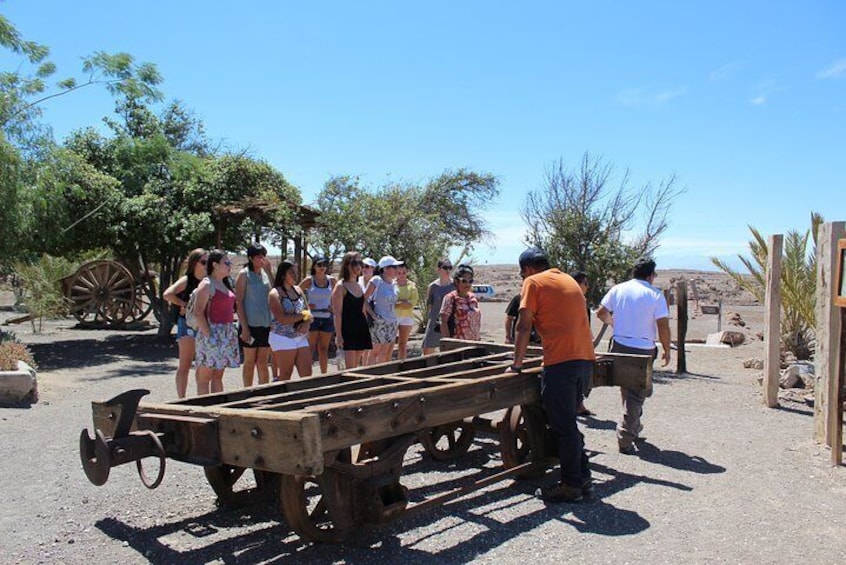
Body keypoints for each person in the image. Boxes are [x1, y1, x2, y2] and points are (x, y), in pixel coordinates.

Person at [507, 247, 595, 503]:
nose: (523, 278)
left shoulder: (533, 282)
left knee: (563, 425)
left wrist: (516, 364)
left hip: (562, 362)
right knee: (567, 422)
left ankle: (571, 485)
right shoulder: (568, 279)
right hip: (584, 361)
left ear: (528, 269)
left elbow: (523, 325)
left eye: (522, 273)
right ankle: (583, 476)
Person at [596, 257, 671, 455]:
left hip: (620, 345)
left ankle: (634, 425)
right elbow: (663, 325)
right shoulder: (654, 295)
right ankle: (625, 436)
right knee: (638, 392)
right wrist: (667, 349)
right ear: (650, 275)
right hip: (642, 348)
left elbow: (601, 312)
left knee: (626, 387)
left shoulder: (618, 289)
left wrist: (616, 324)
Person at [193, 249, 240, 396]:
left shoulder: (226, 283)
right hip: (212, 332)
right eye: (226, 262)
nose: (229, 265)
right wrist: (209, 335)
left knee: (218, 376)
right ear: (215, 265)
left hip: (226, 333)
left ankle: (217, 407)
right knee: (204, 377)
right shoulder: (206, 284)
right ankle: (203, 408)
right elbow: (198, 312)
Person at [162, 248, 207, 398]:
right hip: (187, 324)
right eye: (203, 262)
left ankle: (201, 398)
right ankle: (181, 398)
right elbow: (167, 294)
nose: (207, 265)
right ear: (195, 263)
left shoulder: (208, 281)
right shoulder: (187, 280)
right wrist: (184, 304)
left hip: (204, 325)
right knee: (185, 364)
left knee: (202, 365)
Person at [234, 243, 273, 387]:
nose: (261, 259)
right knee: (249, 362)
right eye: (258, 256)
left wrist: (269, 272)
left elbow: (275, 293)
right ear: (250, 258)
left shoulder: (265, 274)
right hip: (249, 325)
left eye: (263, 256)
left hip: (266, 324)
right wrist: (244, 328)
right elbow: (239, 302)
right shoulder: (244, 275)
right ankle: (247, 391)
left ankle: (263, 393)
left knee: (263, 363)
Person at [268, 261, 313, 381]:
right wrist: (303, 315)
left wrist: (307, 322)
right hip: (282, 337)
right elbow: (282, 319)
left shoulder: (298, 290)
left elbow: (308, 311)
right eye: (291, 272)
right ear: (283, 275)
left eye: (296, 272)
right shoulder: (275, 294)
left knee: (307, 373)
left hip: (300, 336)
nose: (295, 275)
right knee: (286, 374)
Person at [332, 251, 372, 369]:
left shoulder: (359, 285)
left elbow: (362, 309)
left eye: (361, 263)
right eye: (355, 263)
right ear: (347, 265)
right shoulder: (341, 286)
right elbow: (337, 313)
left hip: (360, 327)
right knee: (350, 368)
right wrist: (338, 335)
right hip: (348, 329)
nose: (359, 266)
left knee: (357, 364)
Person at [300, 255, 336, 374]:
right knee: (310, 349)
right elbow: (296, 293)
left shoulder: (332, 280)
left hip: (327, 318)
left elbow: (340, 296)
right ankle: (307, 377)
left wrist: (333, 306)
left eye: (324, 265)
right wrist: (306, 306)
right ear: (314, 266)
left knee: (324, 349)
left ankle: (323, 375)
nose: (322, 267)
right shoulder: (309, 280)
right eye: (319, 265)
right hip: (311, 319)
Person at [364, 255, 401, 364]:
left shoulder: (394, 284)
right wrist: (373, 315)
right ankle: (370, 374)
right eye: (393, 267)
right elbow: (363, 299)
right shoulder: (377, 280)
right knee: (375, 351)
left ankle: (381, 374)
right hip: (379, 321)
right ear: (385, 269)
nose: (396, 270)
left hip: (392, 321)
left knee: (385, 352)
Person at [570, 270, 593, 417]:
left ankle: (578, 403)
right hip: (575, 348)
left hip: (579, 346)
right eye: (585, 283)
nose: (587, 287)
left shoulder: (582, 303)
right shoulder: (576, 302)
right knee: (582, 375)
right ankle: (576, 404)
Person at [421, 258, 456, 355]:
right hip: (434, 321)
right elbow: (429, 306)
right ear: (439, 269)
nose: (448, 270)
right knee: (427, 348)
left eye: (450, 268)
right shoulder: (432, 287)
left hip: (450, 322)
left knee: (448, 350)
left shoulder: (455, 285)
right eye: (445, 268)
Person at [440, 264, 482, 341]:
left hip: (475, 343)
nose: (468, 284)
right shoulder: (450, 298)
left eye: (470, 281)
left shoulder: (473, 298)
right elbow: (443, 322)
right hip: (458, 344)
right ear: (456, 281)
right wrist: (448, 342)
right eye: (464, 281)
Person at [394, 262, 419, 360]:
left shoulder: (411, 285)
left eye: (403, 272)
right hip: (394, 316)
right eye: (399, 273)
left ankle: (402, 362)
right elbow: (392, 301)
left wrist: (401, 303)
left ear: (407, 272)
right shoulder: (392, 284)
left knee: (403, 343)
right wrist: (402, 303)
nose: (401, 275)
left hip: (407, 317)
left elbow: (413, 301)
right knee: (390, 342)